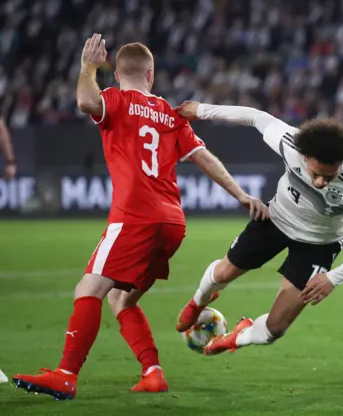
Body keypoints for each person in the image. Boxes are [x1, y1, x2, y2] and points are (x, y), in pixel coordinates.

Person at [12, 34, 268, 400]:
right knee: (122, 300)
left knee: (88, 289)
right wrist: (242, 196)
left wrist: (87, 66)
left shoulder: (114, 99)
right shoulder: (168, 112)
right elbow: (203, 157)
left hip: (134, 216)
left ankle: (65, 375)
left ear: (116, 73)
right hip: (172, 223)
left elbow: (86, 100)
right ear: (151, 75)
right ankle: (153, 372)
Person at [174, 101, 343, 356]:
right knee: (222, 273)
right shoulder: (289, 142)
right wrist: (201, 110)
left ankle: (237, 337)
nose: (320, 182)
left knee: (275, 328)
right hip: (276, 220)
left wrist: (333, 277)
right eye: (315, 173)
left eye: (329, 177)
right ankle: (198, 301)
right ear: (305, 156)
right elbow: (255, 116)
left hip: (319, 246)